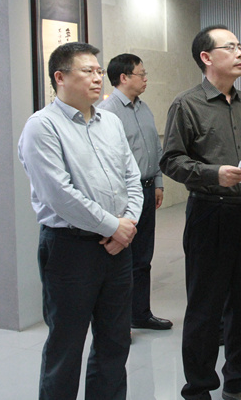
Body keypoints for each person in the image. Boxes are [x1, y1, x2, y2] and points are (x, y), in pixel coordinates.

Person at [160, 25, 241, 400]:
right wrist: (213, 174)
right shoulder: (187, 104)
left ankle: (239, 383)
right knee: (205, 307)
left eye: (239, 46)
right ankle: (198, 388)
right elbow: (171, 160)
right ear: (206, 57)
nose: (239, 53)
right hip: (210, 214)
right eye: (229, 47)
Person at [17, 42, 142, 400]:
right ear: (60, 77)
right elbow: (60, 195)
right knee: (66, 345)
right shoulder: (42, 126)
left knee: (115, 341)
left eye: (99, 71)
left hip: (118, 247)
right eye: (88, 71)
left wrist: (127, 224)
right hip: (70, 249)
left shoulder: (110, 122)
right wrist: (113, 227)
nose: (97, 78)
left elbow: (132, 178)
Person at [98, 53, 172, 331]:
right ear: (124, 77)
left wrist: (158, 181)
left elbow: (154, 148)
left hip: (148, 189)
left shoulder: (144, 108)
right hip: (124, 195)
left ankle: (140, 314)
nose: (145, 79)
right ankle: (119, 323)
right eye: (141, 74)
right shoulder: (107, 112)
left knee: (143, 258)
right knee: (121, 260)